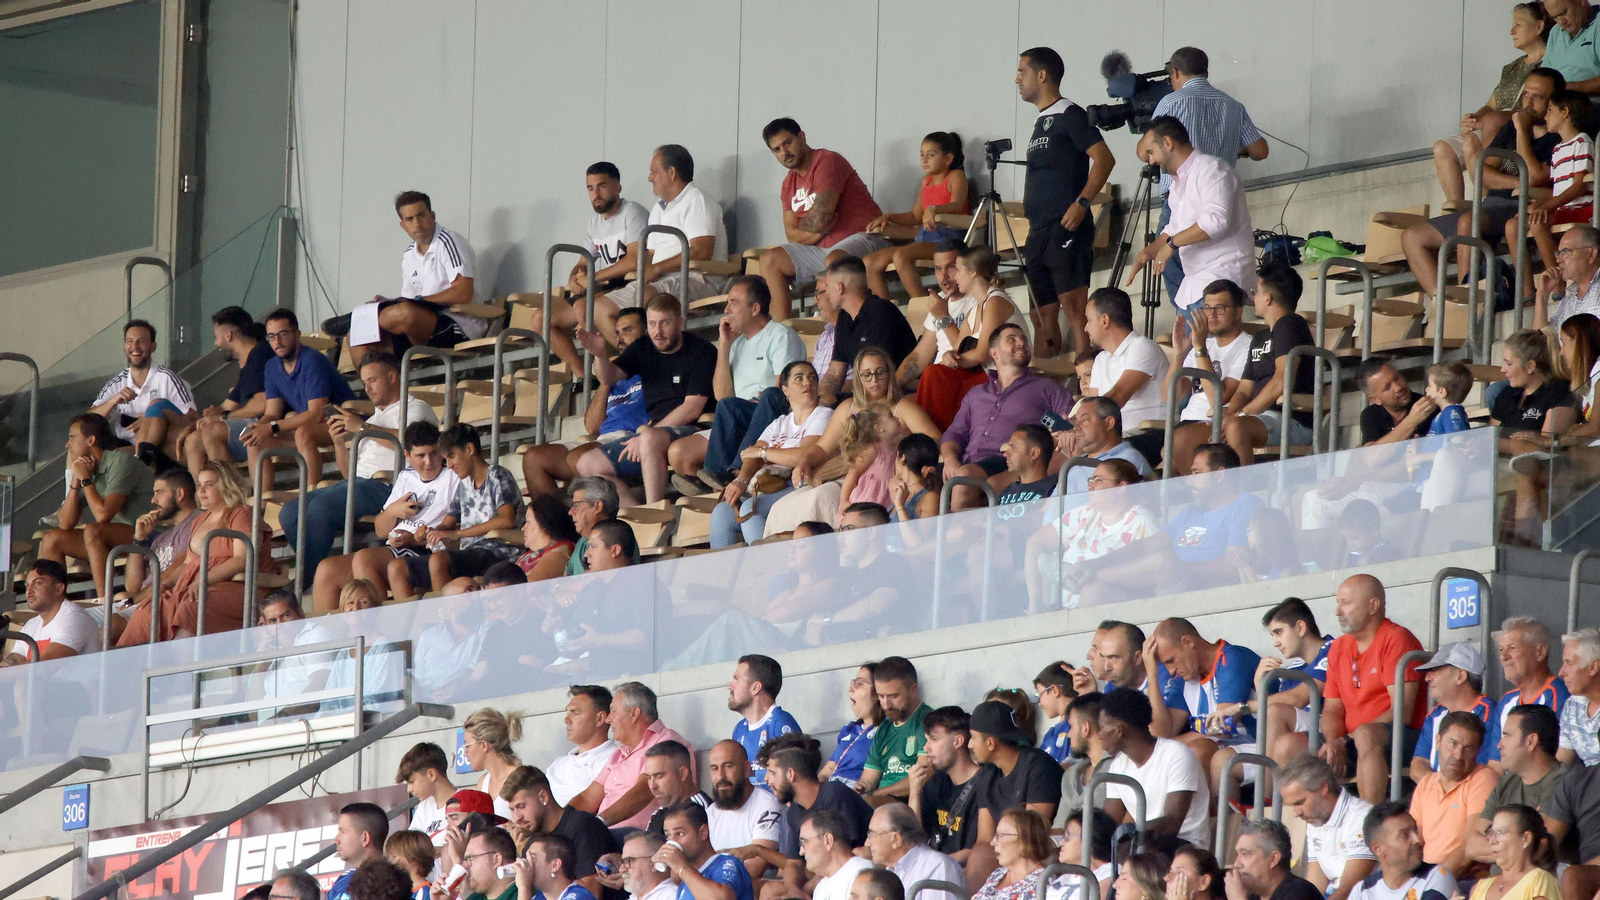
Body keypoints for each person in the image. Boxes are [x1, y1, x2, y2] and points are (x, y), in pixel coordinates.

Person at [1400, 69, 1564, 303]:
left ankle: (1468, 303)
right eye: (1525, 94)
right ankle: (1447, 306)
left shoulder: (1556, 136)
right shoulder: (1511, 127)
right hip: (1493, 205)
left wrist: (1521, 134)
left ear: (1553, 101)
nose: (1527, 102)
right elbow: (1482, 172)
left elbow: (1537, 177)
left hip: (1524, 205)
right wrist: (1519, 181)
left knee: (1469, 220)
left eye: (1536, 97)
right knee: (1412, 237)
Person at [284, 351, 438, 599]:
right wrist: (338, 443)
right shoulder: (372, 419)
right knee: (289, 511)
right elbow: (349, 472)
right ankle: (309, 573)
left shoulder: (416, 408)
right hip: (357, 483)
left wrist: (362, 428)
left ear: (392, 377)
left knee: (319, 509)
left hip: (387, 485)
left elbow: (412, 444)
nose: (367, 388)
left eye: (372, 380)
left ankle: (307, 580)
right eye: (364, 382)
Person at [1015, 46, 1116, 357]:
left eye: (1022, 72)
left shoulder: (1070, 114)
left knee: (1073, 307)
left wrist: (1082, 203)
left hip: (1066, 225)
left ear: (1042, 75)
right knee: (1040, 314)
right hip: (1038, 229)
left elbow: (1104, 159)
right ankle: (1046, 381)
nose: (1016, 79)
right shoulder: (1040, 121)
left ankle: (1085, 379)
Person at [1149, 47, 1269, 301]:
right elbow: (1260, 150)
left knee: (1171, 269)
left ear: (1176, 71)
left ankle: (1190, 317)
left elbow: (1148, 146)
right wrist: (1239, 151)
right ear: (1206, 71)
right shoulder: (1233, 105)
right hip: (1221, 195)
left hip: (1181, 200)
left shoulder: (1171, 102)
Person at [573, 294, 717, 504]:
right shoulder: (643, 347)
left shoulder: (701, 351)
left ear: (679, 322)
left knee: (648, 439)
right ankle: (636, 518)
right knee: (587, 463)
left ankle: (655, 510)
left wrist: (647, 435)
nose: (657, 332)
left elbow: (692, 408)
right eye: (652, 324)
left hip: (692, 430)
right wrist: (601, 355)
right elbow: (609, 377)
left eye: (664, 323)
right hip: (653, 433)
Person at [1063, 444, 1254, 602]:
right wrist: (1095, 563)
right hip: (1161, 585)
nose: (1189, 481)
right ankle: (1090, 576)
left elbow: (1235, 564)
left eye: (1196, 472)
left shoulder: (1245, 504)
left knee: (1164, 560)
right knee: (1094, 591)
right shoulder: (1191, 511)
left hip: (1202, 591)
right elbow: (1147, 546)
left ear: (1219, 475)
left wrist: (1180, 568)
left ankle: (1091, 574)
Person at [117, 460, 276, 644]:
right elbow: (186, 564)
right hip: (195, 585)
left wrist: (202, 581)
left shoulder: (241, 513)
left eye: (208, 485)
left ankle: (180, 671)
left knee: (190, 608)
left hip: (238, 586)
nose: (201, 491)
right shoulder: (199, 520)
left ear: (226, 485)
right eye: (199, 485)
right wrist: (164, 585)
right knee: (147, 611)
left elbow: (242, 559)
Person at [584, 145, 730, 345]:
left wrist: (657, 268)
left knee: (645, 296)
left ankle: (651, 364)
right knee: (599, 308)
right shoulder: (659, 209)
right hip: (660, 281)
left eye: (654, 171)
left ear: (671, 173)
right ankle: (635, 365)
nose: (649, 178)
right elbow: (650, 254)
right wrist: (644, 270)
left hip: (696, 279)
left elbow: (701, 251)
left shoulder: (697, 200)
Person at [677, 277, 807, 493]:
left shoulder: (780, 335)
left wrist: (758, 399)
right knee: (727, 405)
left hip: (776, 411)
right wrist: (725, 346)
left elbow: (784, 390)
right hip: (747, 413)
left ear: (755, 308)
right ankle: (714, 474)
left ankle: (736, 469)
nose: (726, 309)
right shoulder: (737, 345)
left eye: (734, 302)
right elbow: (722, 395)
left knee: (769, 394)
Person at [1128, 117, 1256, 335]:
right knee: (1186, 356)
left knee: (1195, 358)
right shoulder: (1179, 181)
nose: (1150, 161)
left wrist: (1171, 245)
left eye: (1151, 152)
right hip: (1197, 283)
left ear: (1167, 143)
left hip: (1220, 277)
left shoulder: (1212, 169)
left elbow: (1216, 220)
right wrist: (1149, 251)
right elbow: (1174, 227)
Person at [757, 119, 888, 322]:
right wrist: (819, 230)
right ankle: (780, 331)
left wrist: (813, 225)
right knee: (768, 260)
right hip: (820, 248)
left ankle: (839, 326)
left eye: (787, 143)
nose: (784, 152)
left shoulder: (827, 161)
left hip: (864, 237)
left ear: (802, 137)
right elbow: (792, 233)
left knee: (834, 260)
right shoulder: (787, 184)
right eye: (776, 149)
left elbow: (820, 216)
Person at [1318, 574, 1426, 804]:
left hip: (1399, 738)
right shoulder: (1338, 647)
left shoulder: (1397, 639)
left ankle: (1369, 826)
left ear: (1373, 606)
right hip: (1350, 741)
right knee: (1289, 746)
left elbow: (1401, 713)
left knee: (1367, 734)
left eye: (1346, 603)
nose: (1338, 611)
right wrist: (1332, 741)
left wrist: (1345, 739)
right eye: (1337, 603)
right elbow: (1332, 710)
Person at [533, 161, 650, 374]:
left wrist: (594, 278)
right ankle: (585, 377)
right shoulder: (594, 223)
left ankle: (627, 367)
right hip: (606, 287)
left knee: (582, 308)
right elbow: (582, 263)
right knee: (541, 318)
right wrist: (574, 278)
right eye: (590, 188)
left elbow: (635, 260)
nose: (595, 193)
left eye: (602, 186)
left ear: (617, 187)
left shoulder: (632, 212)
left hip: (631, 283)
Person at [940, 323, 1074, 508]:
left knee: (964, 478)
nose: (1021, 343)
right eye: (1012, 339)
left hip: (1012, 462)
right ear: (993, 352)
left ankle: (958, 535)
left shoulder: (1047, 388)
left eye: (1024, 339)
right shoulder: (976, 393)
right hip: (969, 461)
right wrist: (949, 459)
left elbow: (1070, 427)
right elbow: (955, 433)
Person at [522, 307, 650, 500]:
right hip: (604, 438)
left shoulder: (655, 364)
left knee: (578, 457)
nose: (620, 338)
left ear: (647, 331)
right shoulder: (615, 371)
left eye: (627, 330)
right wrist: (607, 378)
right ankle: (553, 524)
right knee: (534, 458)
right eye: (617, 333)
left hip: (632, 436)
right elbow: (592, 426)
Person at [326, 421, 458, 607]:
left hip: (424, 548)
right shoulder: (406, 477)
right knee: (326, 570)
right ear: (408, 455)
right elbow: (381, 530)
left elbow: (453, 525)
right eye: (421, 456)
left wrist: (412, 538)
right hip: (396, 546)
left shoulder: (452, 476)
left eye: (434, 453)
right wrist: (393, 511)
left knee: (365, 559)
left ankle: (381, 626)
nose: (429, 462)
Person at [1432, 4, 1552, 204]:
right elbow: (1491, 105)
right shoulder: (1512, 68)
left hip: (1513, 128)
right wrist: (1474, 119)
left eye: (1518, 25)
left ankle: (1485, 202)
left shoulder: (1549, 63)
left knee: (1474, 140)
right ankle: (1458, 206)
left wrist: (1487, 120)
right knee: (1441, 147)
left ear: (1539, 27)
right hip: (1491, 125)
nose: (1511, 31)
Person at [706, 360, 831, 547]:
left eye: (812, 378)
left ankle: (768, 569)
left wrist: (764, 453)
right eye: (799, 378)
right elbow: (751, 456)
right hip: (769, 484)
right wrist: (741, 480)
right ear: (785, 390)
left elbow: (803, 455)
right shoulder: (779, 422)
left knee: (751, 509)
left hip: (802, 483)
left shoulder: (823, 415)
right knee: (723, 511)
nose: (807, 383)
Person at [911, 244, 1029, 431]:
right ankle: (932, 435)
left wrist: (954, 359)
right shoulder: (974, 310)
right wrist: (950, 356)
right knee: (934, 373)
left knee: (934, 375)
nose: (955, 276)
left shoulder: (995, 301)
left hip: (1000, 376)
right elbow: (957, 349)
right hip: (979, 375)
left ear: (973, 273)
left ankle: (933, 437)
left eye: (958, 269)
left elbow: (983, 354)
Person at [38, 413, 155, 597]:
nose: (67, 444)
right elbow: (65, 524)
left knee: (94, 530)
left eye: (72, 437)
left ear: (91, 440)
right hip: (115, 538)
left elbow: (103, 516)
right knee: (52, 539)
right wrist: (76, 480)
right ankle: (55, 606)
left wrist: (85, 479)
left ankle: (103, 602)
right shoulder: (86, 468)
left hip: (149, 533)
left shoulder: (120, 462)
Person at [248, 308, 356, 489]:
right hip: (311, 427)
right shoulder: (272, 366)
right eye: (271, 337)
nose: (277, 342)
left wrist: (272, 427)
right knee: (255, 442)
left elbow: (316, 414)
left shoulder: (312, 360)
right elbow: (272, 412)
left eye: (283, 334)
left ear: (297, 334)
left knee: (303, 432)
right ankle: (261, 506)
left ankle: (309, 494)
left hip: (341, 423)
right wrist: (260, 427)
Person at [1218, 265, 1316, 464]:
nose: (1254, 297)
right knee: (1188, 436)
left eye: (1256, 292)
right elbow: (1244, 391)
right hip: (1259, 418)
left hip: (1291, 420)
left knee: (1236, 428)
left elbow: (1281, 381)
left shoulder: (1290, 324)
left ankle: (1245, 493)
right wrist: (1229, 416)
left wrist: (1242, 415)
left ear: (1268, 298)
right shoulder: (1260, 337)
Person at [1147, 616, 1263, 781]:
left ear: (1188, 642)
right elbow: (1161, 733)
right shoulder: (1183, 678)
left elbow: (1223, 727)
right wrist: (1152, 674)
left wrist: (1163, 748)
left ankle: (1218, 808)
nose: (1170, 671)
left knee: (1199, 749)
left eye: (1171, 661)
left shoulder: (1231, 658)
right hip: (1228, 752)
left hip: (1260, 745)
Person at [864, 131, 972, 300]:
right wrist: (889, 217)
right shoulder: (925, 182)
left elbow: (957, 205)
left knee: (901, 256)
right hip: (924, 239)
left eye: (931, 155)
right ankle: (884, 311)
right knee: (869, 262)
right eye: (922, 155)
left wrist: (934, 209)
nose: (924, 160)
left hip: (947, 240)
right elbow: (915, 217)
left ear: (948, 159)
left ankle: (922, 303)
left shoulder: (956, 176)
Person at [418, 423, 525, 593]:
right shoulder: (464, 485)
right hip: (471, 553)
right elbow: (447, 524)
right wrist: (431, 532)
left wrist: (457, 534)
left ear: (469, 449)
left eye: (452, 456)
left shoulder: (497, 475)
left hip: (500, 552)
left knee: (438, 561)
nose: (450, 465)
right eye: (446, 460)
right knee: (397, 567)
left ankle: (444, 617)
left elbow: (507, 519)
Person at [572, 682, 694, 829]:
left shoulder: (666, 741)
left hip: (642, 837)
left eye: (613, 711)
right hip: (608, 834)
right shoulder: (618, 753)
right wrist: (561, 824)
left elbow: (645, 790)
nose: (608, 719)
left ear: (634, 714)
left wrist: (599, 824)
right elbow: (587, 797)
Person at [1098, 688, 1210, 847]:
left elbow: (1171, 824)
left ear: (1118, 730)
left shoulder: (1177, 755)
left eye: (1101, 727)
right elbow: (1108, 823)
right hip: (1143, 846)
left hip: (1184, 849)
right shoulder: (1117, 766)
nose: (1099, 735)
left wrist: (1129, 833)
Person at [1165, 280, 1254, 475]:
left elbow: (1219, 399)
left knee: (1174, 446)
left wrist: (1199, 349)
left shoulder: (1247, 346)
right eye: (1207, 308)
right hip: (1187, 421)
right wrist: (1179, 354)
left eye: (1219, 308)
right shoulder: (1203, 345)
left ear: (1238, 312)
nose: (1211, 315)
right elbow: (1169, 396)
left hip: (1216, 422)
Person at [88, 318, 196, 466]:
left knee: (156, 406)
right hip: (124, 444)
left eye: (141, 341)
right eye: (130, 341)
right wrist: (113, 401)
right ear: (125, 347)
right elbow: (88, 420)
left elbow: (192, 418)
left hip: (160, 445)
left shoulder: (167, 379)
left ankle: (143, 459)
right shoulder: (117, 382)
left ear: (153, 347)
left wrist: (152, 418)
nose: (135, 347)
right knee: (79, 445)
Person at [1468, 705, 1566, 865]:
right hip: (1497, 883)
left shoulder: (1562, 783)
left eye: (1507, 736)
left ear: (1531, 741)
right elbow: (1471, 845)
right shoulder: (1507, 783)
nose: (1499, 745)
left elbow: (1537, 849)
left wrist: (1493, 835)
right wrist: (1515, 842)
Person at [181, 306, 274, 475]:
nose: (216, 344)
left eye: (216, 338)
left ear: (228, 335)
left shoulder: (260, 354)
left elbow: (262, 404)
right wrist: (195, 424)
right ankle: (205, 498)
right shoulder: (247, 363)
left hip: (265, 427)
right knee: (193, 440)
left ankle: (229, 495)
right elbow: (227, 405)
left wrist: (221, 417)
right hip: (247, 425)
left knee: (212, 431)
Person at [500, 765, 618, 898]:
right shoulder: (532, 841)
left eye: (522, 806)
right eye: (512, 810)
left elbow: (591, 893)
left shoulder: (582, 826)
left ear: (543, 797)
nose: (517, 817)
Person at [818, 258, 918, 406]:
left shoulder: (881, 312)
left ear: (840, 287)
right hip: (864, 394)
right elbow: (835, 371)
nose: (826, 293)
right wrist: (821, 398)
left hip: (894, 395)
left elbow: (879, 374)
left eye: (827, 287)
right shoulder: (844, 318)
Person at [1083, 287, 1169, 459]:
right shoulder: (1100, 360)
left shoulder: (1142, 347)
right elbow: (1091, 404)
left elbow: (1117, 397)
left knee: (1100, 462)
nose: (1085, 328)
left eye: (1088, 320)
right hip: (1116, 439)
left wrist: (1079, 425)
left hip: (1152, 434)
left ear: (1105, 320)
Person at [1408, 712, 1496, 876]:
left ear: (1478, 751)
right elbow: (1415, 839)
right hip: (1428, 874)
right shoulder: (1426, 783)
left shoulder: (1483, 778)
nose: (1458, 755)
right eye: (1452, 744)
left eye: (1468, 748)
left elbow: (1469, 847)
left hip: (1464, 879)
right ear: (1438, 741)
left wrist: (1434, 883)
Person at [1277, 755, 1375, 900]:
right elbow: (1314, 885)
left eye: (1300, 802)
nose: (1296, 813)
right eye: (1291, 806)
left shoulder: (1362, 818)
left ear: (1323, 787)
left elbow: (1349, 890)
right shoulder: (1315, 818)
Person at [1250, 598, 1334, 769]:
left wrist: (1240, 707)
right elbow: (1272, 716)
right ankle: (1268, 795)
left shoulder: (1335, 649)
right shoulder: (1292, 669)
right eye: (1273, 635)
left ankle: (1268, 795)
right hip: (1300, 736)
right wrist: (1260, 683)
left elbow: (1298, 699)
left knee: (1277, 715)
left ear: (1301, 627)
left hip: (1332, 731)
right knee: (1225, 758)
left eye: (1279, 632)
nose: (1275, 642)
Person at [906, 706, 990, 863]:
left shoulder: (985, 784)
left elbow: (975, 850)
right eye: (927, 740)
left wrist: (932, 865)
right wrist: (915, 792)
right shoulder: (935, 782)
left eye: (934, 739)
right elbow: (914, 838)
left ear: (958, 741)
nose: (926, 747)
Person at [1525, 88, 1595, 274]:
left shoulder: (1582, 142)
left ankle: (1556, 279)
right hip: (1563, 208)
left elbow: (1580, 186)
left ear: (1565, 112)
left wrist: (1547, 207)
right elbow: (1557, 190)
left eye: (1550, 110)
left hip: (1582, 209)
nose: (1546, 116)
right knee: (1513, 225)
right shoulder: (1557, 150)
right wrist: (1535, 206)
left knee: (1538, 221)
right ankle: (1526, 290)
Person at [968, 699, 1063, 833]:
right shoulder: (987, 773)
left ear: (990, 743)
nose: (969, 745)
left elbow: (1031, 837)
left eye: (973, 737)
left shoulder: (1039, 767)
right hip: (1003, 850)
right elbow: (985, 840)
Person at [1486, 616, 1570, 763]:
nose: (1503, 657)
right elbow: (1495, 765)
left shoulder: (1559, 695)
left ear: (1540, 652)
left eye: (1512, 648)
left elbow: (1556, 763)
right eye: (1501, 650)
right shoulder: (1506, 701)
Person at [1409, 643, 1493, 784]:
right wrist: (1441, 789)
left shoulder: (1490, 713)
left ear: (1460, 676)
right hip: (1436, 797)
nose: (1427, 678)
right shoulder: (1435, 715)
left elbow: (1485, 771)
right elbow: (1418, 765)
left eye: (1435, 670)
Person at [855, 656, 932, 802]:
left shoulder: (928, 721)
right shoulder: (884, 728)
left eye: (893, 696)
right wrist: (861, 788)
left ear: (913, 690)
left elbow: (923, 777)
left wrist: (876, 795)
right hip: (880, 802)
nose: (885, 705)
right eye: (881, 696)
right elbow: (868, 778)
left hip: (909, 803)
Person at [1346, 803, 1458, 900]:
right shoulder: (1363, 891)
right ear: (1377, 848)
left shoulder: (1436, 877)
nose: (1417, 840)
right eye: (1404, 835)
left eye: (1416, 830)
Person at [703, 740, 781, 879]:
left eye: (728, 766)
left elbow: (754, 868)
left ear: (746, 769)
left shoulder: (767, 804)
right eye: (714, 768)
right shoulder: (712, 811)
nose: (720, 776)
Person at [721, 654, 801, 789]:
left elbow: (795, 782)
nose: (730, 686)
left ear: (755, 687)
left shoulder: (781, 724)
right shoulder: (739, 729)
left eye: (736, 680)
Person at [0, 560, 96, 665]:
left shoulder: (74, 618)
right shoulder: (31, 625)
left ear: (59, 589)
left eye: (38, 583)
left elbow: (45, 667)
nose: (29, 591)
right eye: (27, 585)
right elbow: (14, 659)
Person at [653, 802, 755, 900]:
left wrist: (682, 867)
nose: (672, 841)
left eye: (680, 833)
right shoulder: (686, 880)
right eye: (668, 835)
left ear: (703, 833)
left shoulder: (728, 863)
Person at [1054, 397, 1154, 493]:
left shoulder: (1127, 460)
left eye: (1084, 420)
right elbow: (1049, 505)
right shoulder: (1073, 465)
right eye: (1076, 422)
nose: (1076, 427)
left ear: (1108, 423)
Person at [865, 803, 965, 900]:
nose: (867, 843)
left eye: (872, 835)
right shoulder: (889, 870)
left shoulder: (937, 866)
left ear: (896, 839)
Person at [1466, 806, 1561, 900]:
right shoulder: (1479, 888)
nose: (1492, 841)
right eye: (1491, 832)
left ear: (1526, 839)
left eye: (1500, 832)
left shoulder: (1539, 880)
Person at [547, 685, 619, 807]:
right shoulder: (558, 764)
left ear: (600, 719)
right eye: (568, 712)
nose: (566, 719)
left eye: (575, 713)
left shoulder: (614, 759)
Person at [1228, 819, 1324, 900]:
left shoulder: (1300, 893)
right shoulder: (1252, 895)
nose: (1237, 864)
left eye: (1245, 854)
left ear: (1273, 859)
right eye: (1237, 855)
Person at [821, 664, 883, 788]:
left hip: (853, 791)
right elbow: (825, 773)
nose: (851, 689)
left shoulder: (885, 728)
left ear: (877, 692)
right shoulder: (850, 729)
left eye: (859, 684)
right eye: (852, 683)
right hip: (832, 789)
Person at [565, 477, 640, 577]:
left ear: (597, 506)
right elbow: (566, 576)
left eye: (577, 505)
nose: (570, 512)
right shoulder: (582, 542)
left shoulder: (619, 538)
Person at [971, 809, 1052, 900]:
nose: (992, 843)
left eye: (999, 835)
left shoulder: (1043, 882)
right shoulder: (998, 874)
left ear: (1024, 840)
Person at [1533, 224, 1600, 330]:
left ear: (1591, 254)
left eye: (1566, 251)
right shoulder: (1567, 303)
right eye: (1558, 253)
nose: (1558, 260)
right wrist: (1542, 295)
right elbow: (1541, 343)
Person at [797, 810, 874, 900]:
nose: (801, 852)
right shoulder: (821, 887)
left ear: (828, 840)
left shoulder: (862, 875)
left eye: (804, 842)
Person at [463, 708, 524, 819]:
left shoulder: (521, 778)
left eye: (467, 746)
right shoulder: (482, 783)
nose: (465, 753)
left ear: (484, 745)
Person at [642, 740, 711, 836]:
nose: (652, 786)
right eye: (649, 778)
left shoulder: (705, 811)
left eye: (659, 776)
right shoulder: (659, 814)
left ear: (682, 774)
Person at [394, 741, 455, 848]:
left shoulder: (465, 802)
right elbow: (411, 848)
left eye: (412, 781)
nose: (409, 789)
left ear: (431, 774)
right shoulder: (424, 807)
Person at [1047, 808, 1114, 900]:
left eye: (1067, 835)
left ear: (1090, 839)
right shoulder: (1066, 877)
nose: (1061, 842)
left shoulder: (1109, 874)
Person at [328, 803, 391, 900]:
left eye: (343, 832)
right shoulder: (342, 881)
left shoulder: (395, 886)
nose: (336, 840)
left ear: (364, 838)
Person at [1557, 628, 1600, 766]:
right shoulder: (1573, 705)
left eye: (1569, 663)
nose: (1561, 672)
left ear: (1593, 667)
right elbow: (1561, 764)